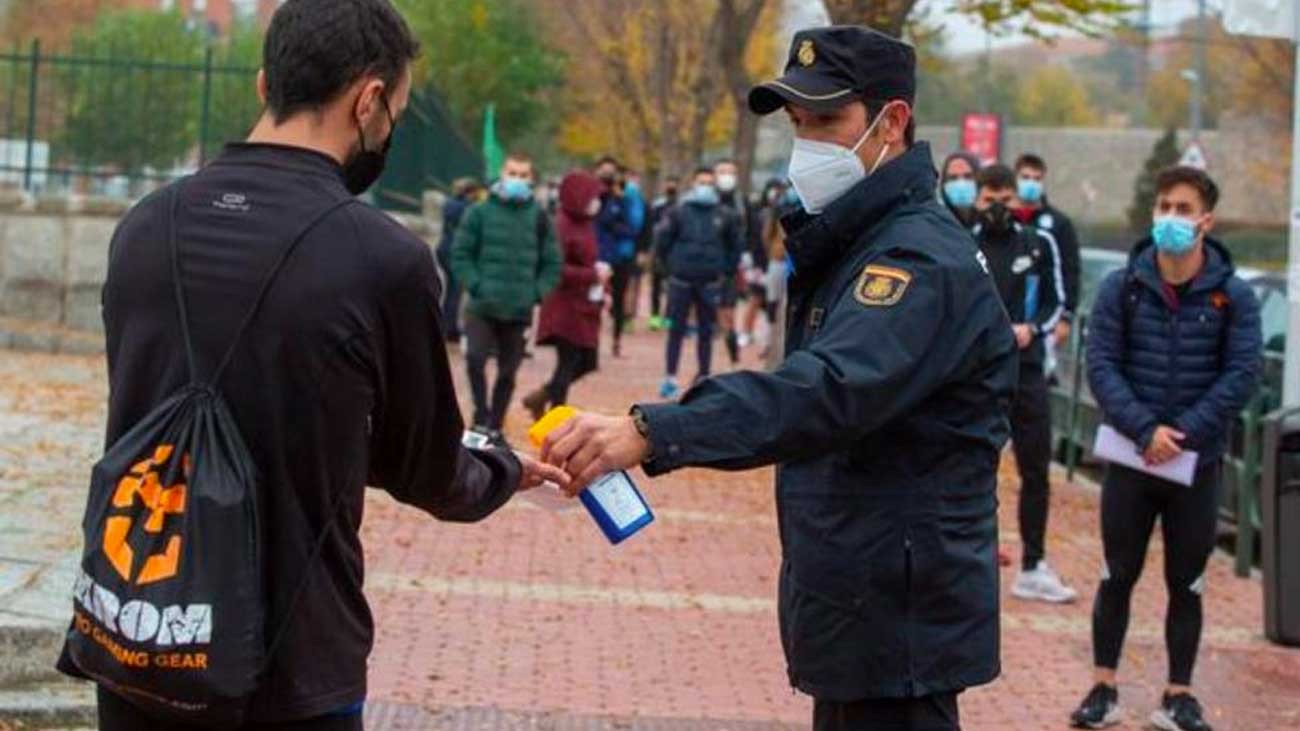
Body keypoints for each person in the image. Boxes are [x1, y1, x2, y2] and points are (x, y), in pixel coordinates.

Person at [60, 2, 567, 728]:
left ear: (267, 84)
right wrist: (506, 469)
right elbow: (425, 470)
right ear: (367, 101)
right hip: (290, 663)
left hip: (142, 634)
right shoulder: (383, 260)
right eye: (395, 110)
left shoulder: (143, 226)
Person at [541, 26, 1018, 731]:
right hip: (868, 598)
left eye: (827, 120)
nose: (809, 142)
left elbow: (823, 389)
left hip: (897, 614)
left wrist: (652, 430)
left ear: (892, 122)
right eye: (798, 123)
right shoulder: (861, 239)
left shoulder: (916, 260)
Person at [1071, 166, 1260, 731]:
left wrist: (1184, 432)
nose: (1170, 219)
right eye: (1163, 207)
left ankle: (1179, 694)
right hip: (1132, 460)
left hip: (1195, 464)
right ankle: (1103, 687)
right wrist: (1144, 429)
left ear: (1206, 220)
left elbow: (1242, 372)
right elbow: (1101, 364)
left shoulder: (1234, 294)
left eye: (1182, 209)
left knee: (1188, 581)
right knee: (1116, 573)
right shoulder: (1122, 286)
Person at [971, 163, 1076, 604]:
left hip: (1028, 370)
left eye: (1006, 198)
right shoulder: (962, 243)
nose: (999, 207)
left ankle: (1033, 563)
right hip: (976, 374)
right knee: (973, 466)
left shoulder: (1038, 243)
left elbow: (1059, 303)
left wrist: (1033, 328)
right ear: (978, 200)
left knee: (1036, 468)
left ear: (1019, 200)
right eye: (990, 198)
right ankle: (975, 554)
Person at [451, 151, 562, 444]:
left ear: (531, 179)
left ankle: (496, 426)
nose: (517, 180)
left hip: (518, 309)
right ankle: (480, 416)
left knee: (507, 372)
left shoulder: (539, 217)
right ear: (502, 173)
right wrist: (476, 284)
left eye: (524, 175)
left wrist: (536, 293)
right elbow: (461, 253)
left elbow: (553, 262)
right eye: (512, 173)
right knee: (474, 359)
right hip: (481, 306)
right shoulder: (479, 212)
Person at [523, 171, 609, 420]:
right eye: (592, 196)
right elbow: (557, 267)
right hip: (564, 306)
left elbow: (589, 260)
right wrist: (591, 274)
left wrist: (601, 283)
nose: (597, 202)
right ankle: (555, 416)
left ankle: (541, 396)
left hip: (584, 304)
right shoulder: (561, 225)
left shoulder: (586, 223)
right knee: (567, 362)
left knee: (587, 361)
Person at [655, 166, 741, 400]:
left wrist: (725, 271)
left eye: (708, 182)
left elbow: (735, 246)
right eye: (701, 182)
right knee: (676, 329)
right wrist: (670, 268)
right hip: (681, 280)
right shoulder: (678, 212)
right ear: (693, 183)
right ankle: (670, 377)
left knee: (706, 330)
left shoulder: (725, 214)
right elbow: (662, 242)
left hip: (710, 282)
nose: (705, 186)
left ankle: (703, 374)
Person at [1014, 153, 1081, 340]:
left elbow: (1070, 271)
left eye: (1036, 179)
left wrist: (1066, 316)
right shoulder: (1005, 220)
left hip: (1045, 316)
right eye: (1025, 177)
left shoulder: (1059, 224)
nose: (1031, 183)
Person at [714, 158, 752, 366]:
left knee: (728, 311)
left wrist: (748, 258)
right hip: (707, 267)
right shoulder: (709, 202)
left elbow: (752, 231)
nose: (726, 177)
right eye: (722, 172)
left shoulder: (741, 203)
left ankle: (732, 352)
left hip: (730, 267)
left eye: (730, 172)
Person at [436, 177, 480, 344]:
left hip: (443, 248)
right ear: (470, 192)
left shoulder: (450, 203)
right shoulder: (466, 208)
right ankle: (450, 328)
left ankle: (446, 324)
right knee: (455, 291)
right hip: (453, 251)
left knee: (450, 290)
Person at [647, 175, 680, 331]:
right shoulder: (657, 206)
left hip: (674, 253)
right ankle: (654, 317)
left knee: (672, 288)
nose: (671, 186)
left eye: (673, 184)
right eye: (669, 183)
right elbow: (650, 227)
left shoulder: (681, 208)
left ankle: (668, 318)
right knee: (655, 286)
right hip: (658, 250)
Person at [940, 151, 980, 228]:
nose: (961, 183)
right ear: (944, 184)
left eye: (968, 176)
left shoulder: (989, 224)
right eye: (953, 178)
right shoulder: (936, 223)